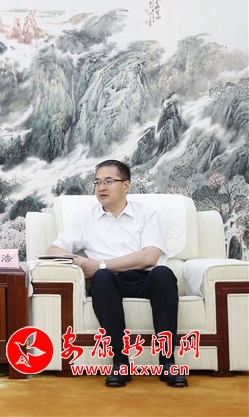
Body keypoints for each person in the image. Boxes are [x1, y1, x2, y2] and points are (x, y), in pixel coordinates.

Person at [46, 159, 188, 388]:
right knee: (102, 278)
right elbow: (52, 250)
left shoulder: (147, 214)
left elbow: (150, 257)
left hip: (146, 278)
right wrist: (82, 262)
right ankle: (120, 363)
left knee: (163, 273)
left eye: (109, 181)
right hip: (109, 284)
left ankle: (167, 363)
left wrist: (101, 264)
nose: (101, 187)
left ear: (126, 185)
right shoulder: (86, 219)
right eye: (97, 182)